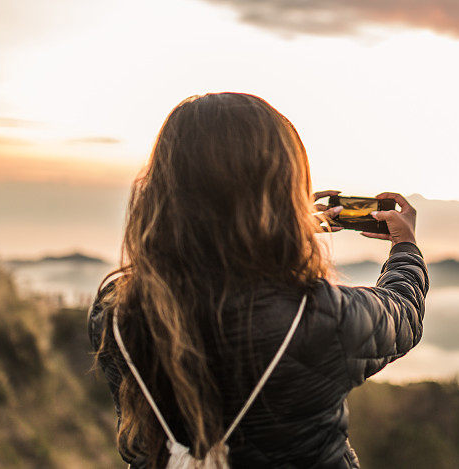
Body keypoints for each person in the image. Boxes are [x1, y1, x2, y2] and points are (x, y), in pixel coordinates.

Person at [87, 92, 428, 468]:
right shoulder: (318, 317)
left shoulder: (117, 312)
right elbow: (403, 313)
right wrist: (405, 246)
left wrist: (288, 225)